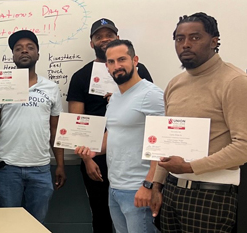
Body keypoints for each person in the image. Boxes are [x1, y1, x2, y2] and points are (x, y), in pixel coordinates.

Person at [150, 12, 247, 233]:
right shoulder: (175, 84)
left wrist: (191, 167)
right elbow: (165, 143)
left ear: (214, 41)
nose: (186, 44)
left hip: (212, 196)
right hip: (172, 192)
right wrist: (157, 185)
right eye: (180, 39)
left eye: (195, 37)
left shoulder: (235, 82)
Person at [65, 19, 154, 233]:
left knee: (136, 220)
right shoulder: (80, 77)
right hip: (96, 157)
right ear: (92, 43)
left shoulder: (140, 77)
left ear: (118, 37)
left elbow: (152, 123)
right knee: (102, 214)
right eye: (99, 36)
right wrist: (87, 158)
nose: (104, 39)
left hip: (132, 162)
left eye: (109, 35)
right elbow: (76, 121)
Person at [0, 30, 65, 223]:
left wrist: (60, 164)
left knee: (37, 224)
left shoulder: (51, 88)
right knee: (9, 224)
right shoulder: (1, 85)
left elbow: (55, 130)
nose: (24, 51)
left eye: (29, 47)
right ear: (13, 56)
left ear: (37, 55)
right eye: (18, 49)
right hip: (9, 167)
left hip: (41, 168)